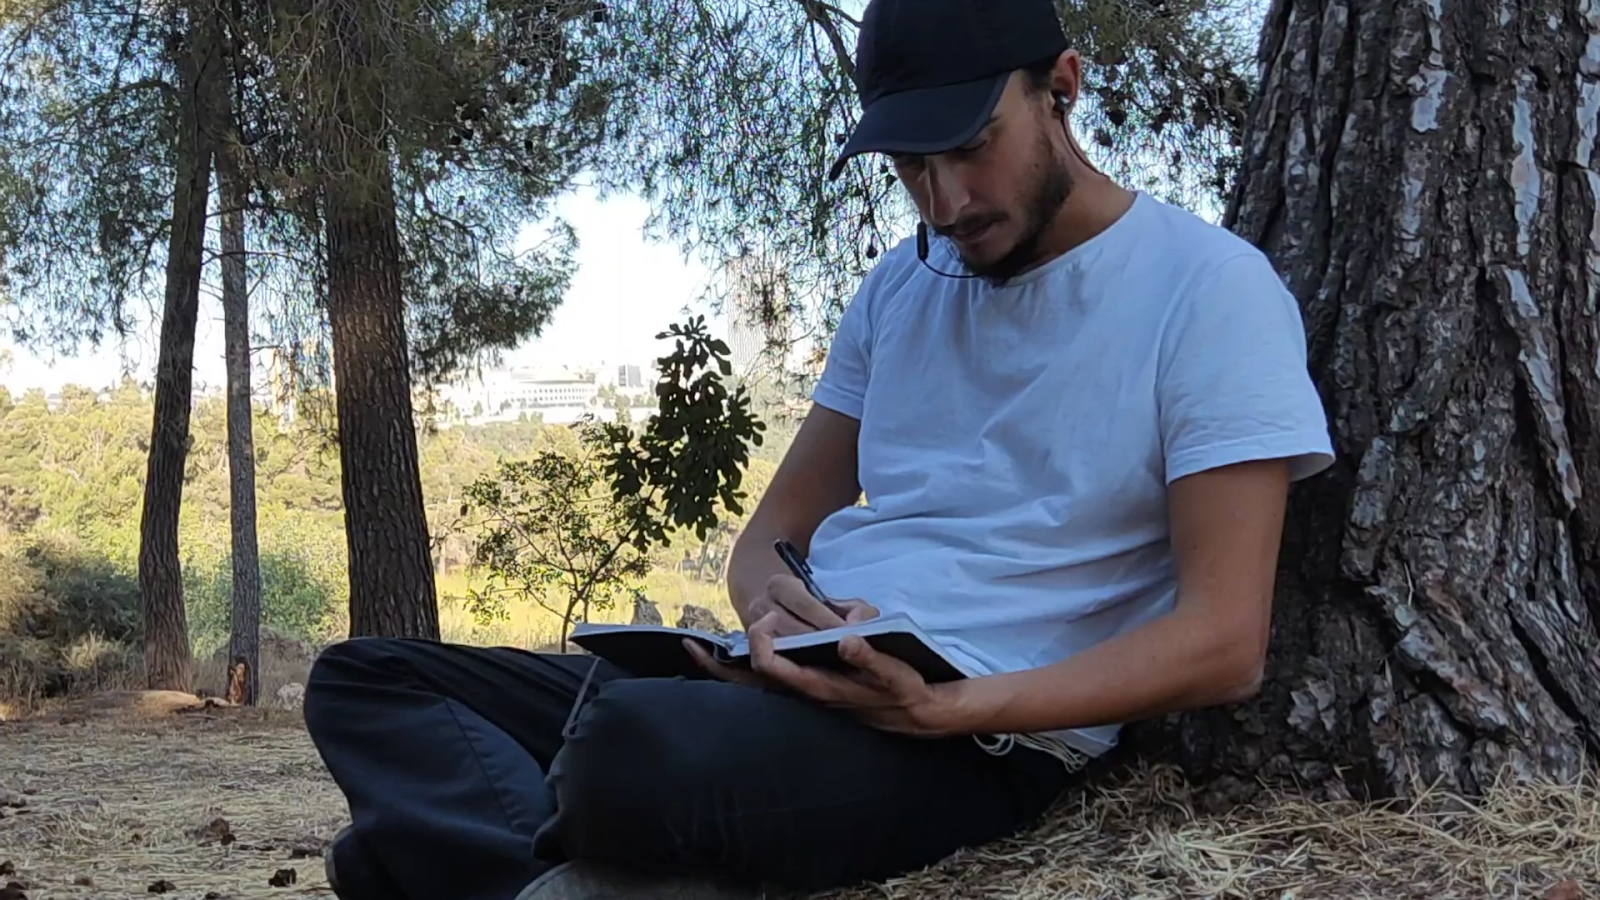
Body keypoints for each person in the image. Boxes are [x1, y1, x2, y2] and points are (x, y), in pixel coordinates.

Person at [301, 0, 1335, 897]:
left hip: (971, 735)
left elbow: (1223, 641)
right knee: (365, 681)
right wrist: (773, 609)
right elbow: (771, 537)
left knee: (599, 756)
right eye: (911, 166)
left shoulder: (1210, 290)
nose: (946, 201)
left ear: (1061, 87)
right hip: (793, 681)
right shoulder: (901, 285)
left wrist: (948, 708)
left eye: (971, 145)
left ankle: (462, 862)